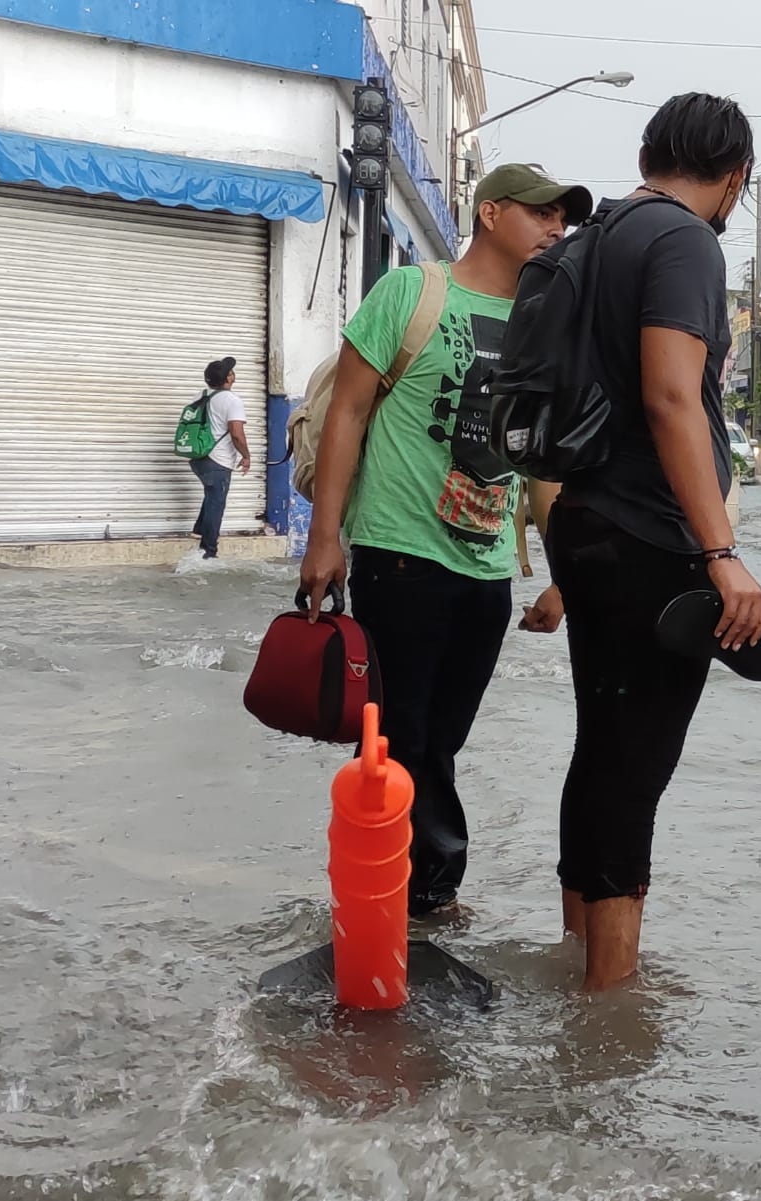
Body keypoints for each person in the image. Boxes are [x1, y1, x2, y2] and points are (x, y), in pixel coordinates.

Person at [299, 163, 592, 918]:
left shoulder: (544, 328)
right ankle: (415, 898)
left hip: (487, 565)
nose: (556, 229)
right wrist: (324, 538)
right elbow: (349, 414)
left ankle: (402, 892)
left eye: (564, 219)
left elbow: (542, 469)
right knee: (405, 735)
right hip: (400, 552)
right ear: (491, 212)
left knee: (440, 739)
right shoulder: (412, 291)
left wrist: (565, 580)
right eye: (542, 214)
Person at [544, 93, 761, 991]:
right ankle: (609, 1006)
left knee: (601, 745)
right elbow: (673, 396)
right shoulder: (684, 240)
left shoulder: (593, 236)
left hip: (584, 521)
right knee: (633, 767)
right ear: (735, 177)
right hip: (651, 537)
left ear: (649, 151)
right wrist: (721, 552)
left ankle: (573, 959)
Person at [192, 357, 252, 558]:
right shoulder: (232, 400)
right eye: (231, 371)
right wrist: (246, 456)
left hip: (198, 456)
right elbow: (236, 433)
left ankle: (199, 529)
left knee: (211, 495)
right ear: (229, 378)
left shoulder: (201, 396)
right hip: (218, 460)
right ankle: (208, 552)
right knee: (217, 502)